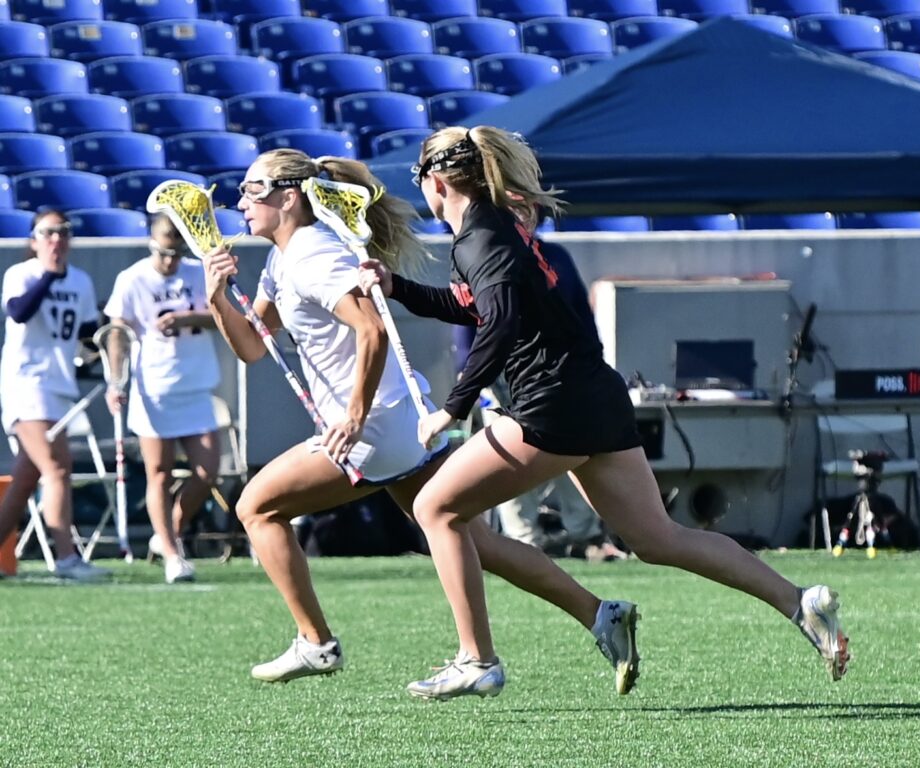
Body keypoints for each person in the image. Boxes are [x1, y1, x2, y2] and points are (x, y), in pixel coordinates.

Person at [358, 126, 850, 700]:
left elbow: (501, 322)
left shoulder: (480, 237)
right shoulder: (494, 228)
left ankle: (477, 659)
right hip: (592, 394)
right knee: (657, 539)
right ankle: (799, 602)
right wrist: (398, 287)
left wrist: (452, 407)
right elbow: (476, 307)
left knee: (434, 508)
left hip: (551, 404)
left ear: (436, 181)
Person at [203, 148, 639, 692]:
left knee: (256, 507)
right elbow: (252, 347)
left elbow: (372, 329)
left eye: (253, 189)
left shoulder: (313, 255)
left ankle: (316, 642)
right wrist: (217, 298)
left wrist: (354, 415)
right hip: (397, 423)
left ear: (289, 197)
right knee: (473, 538)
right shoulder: (282, 260)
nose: (242, 201)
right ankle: (600, 614)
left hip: (374, 428)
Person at [451, 237, 627, 562]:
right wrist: (467, 367)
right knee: (505, 457)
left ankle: (585, 536)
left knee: (569, 451)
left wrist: (593, 361)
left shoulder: (555, 255)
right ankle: (525, 540)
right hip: (500, 375)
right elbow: (467, 313)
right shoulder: (479, 251)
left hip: (558, 374)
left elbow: (580, 312)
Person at [103, 213, 221, 584]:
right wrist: (115, 381)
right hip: (153, 387)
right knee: (159, 473)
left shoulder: (196, 273)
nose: (170, 261)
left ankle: (168, 531)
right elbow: (118, 333)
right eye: (163, 253)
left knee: (208, 471)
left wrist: (187, 318)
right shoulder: (133, 278)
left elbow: (221, 316)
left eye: (176, 253)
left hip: (195, 384)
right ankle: (172, 554)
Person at [0, 209, 110, 581]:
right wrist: (49, 275)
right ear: (34, 241)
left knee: (25, 480)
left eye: (63, 232)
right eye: (48, 233)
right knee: (58, 468)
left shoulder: (80, 280)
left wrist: (112, 343)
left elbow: (88, 335)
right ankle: (66, 558)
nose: (56, 239)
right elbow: (18, 312)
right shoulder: (22, 274)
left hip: (59, 386)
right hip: (26, 384)